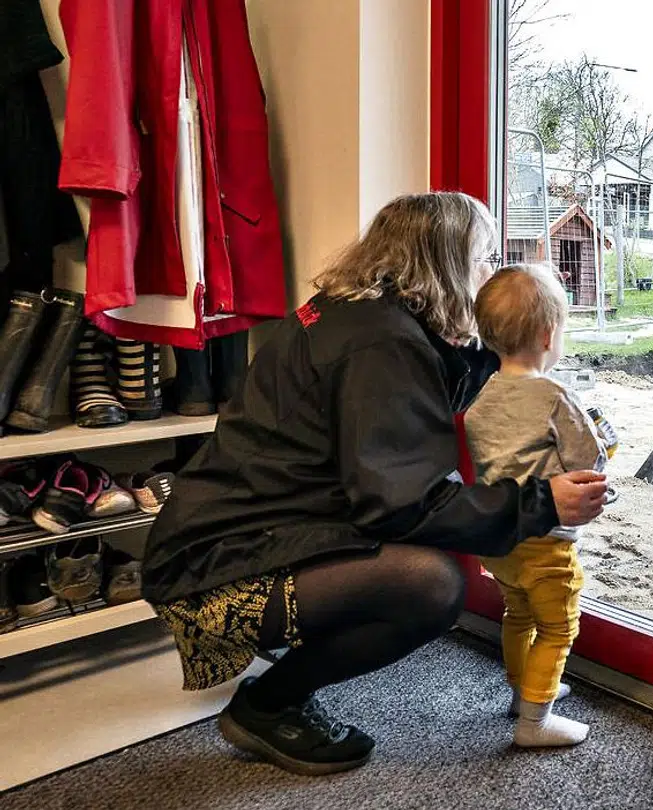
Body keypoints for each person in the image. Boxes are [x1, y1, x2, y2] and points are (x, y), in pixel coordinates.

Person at [140, 192, 610, 776]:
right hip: (213, 575)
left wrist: (500, 359)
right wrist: (541, 503)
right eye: (483, 258)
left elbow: (406, 417)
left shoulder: (354, 313)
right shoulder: (381, 345)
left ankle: (284, 671)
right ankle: (266, 705)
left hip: (214, 539)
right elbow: (403, 504)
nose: (488, 276)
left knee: (417, 561)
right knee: (430, 585)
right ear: (446, 263)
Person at [464, 264, 614, 749]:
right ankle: (535, 721)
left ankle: (521, 692)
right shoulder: (555, 395)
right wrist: (607, 449)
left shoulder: (481, 395)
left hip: (501, 535)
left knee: (518, 614)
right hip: (548, 544)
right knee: (558, 626)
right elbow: (586, 460)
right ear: (550, 335)